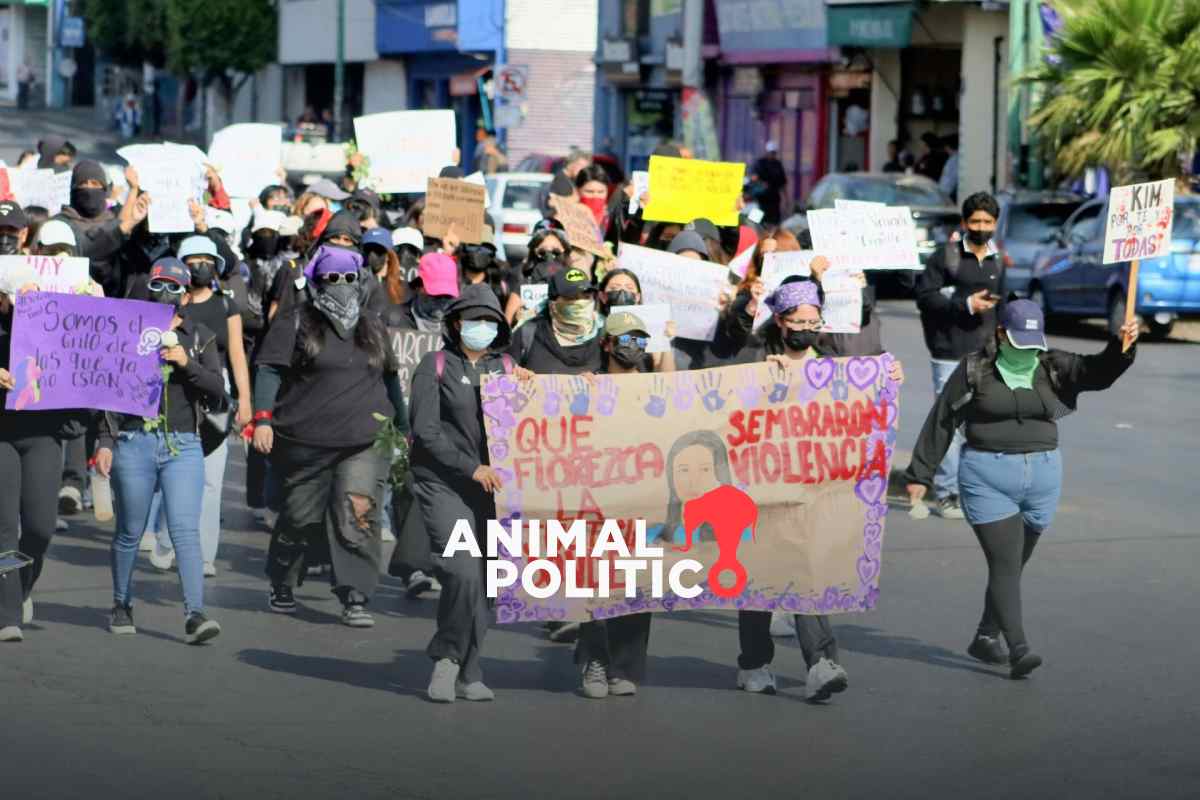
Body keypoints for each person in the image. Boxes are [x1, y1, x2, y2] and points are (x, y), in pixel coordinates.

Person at [904, 301, 1138, 679]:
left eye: (1032, 341)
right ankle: (1019, 648)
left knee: (1012, 566)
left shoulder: (1051, 364)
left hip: (1043, 479)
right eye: (1019, 340)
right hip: (987, 477)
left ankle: (985, 636)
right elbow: (942, 419)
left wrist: (1121, 347)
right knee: (1005, 564)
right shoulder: (974, 368)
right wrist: (920, 473)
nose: (1027, 348)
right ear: (1000, 334)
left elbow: (1097, 373)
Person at [729, 278, 903, 699]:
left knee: (805, 569)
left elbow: (865, 404)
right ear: (781, 321)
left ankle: (822, 662)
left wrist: (888, 377)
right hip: (761, 489)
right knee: (760, 578)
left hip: (814, 489)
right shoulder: (754, 360)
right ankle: (754, 662)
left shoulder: (833, 364)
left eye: (814, 320)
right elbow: (722, 404)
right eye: (798, 320)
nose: (807, 327)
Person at [253, 244, 406, 627]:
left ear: (361, 282)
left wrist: (404, 429)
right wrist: (262, 419)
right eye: (331, 278)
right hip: (305, 440)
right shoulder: (295, 319)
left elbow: (390, 378)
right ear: (317, 281)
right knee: (298, 518)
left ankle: (355, 596)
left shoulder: (373, 324)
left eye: (349, 278)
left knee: (358, 516)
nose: (340, 284)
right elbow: (270, 369)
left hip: (365, 440)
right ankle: (283, 579)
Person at [95, 258, 226, 644]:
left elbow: (218, 391)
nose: (165, 293)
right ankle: (121, 603)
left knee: (185, 530)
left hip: (183, 445)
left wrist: (187, 364)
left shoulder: (199, 335)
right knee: (129, 532)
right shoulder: (126, 333)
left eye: (174, 287)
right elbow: (106, 392)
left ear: (186, 295)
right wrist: (105, 441)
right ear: (148, 287)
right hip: (134, 441)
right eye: (159, 285)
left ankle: (195, 614)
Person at [409, 283, 514, 702]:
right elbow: (425, 430)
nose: (482, 327)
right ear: (455, 323)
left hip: (493, 494)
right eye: (475, 320)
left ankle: (471, 671)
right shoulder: (433, 365)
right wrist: (471, 468)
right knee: (462, 570)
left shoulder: (506, 367)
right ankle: (446, 658)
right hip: (444, 486)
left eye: (490, 321)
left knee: (487, 584)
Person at [141, 235, 253, 576]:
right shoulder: (168, 302)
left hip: (212, 390)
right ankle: (164, 538)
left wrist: (245, 400)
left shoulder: (226, 306)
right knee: (168, 473)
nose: (200, 265)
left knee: (211, 478)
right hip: (168, 388)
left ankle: (204, 554)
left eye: (207, 259)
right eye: (193, 260)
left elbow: (235, 353)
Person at [576, 311, 672, 697]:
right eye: (626, 340)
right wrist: (576, 394)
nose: (634, 348)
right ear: (607, 344)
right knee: (598, 583)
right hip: (599, 498)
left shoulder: (657, 388)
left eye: (641, 341)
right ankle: (595, 662)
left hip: (644, 498)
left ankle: (624, 663)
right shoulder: (590, 384)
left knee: (636, 582)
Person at [0, 255, 82, 641]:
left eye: (32, 292)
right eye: (17, 294)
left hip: (42, 433)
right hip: (1, 436)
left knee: (39, 528)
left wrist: (91, 303)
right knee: (3, 528)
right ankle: (7, 613)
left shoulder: (56, 325)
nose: (24, 300)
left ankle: (22, 583)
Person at [915, 192, 1006, 520]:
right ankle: (947, 493)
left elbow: (1004, 304)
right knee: (950, 424)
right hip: (949, 352)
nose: (982, 227)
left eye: (987, 221)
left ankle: (975, 491)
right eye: (975, 221)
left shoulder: (997, 259)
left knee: (982, 424)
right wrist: (966, 305)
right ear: (965, 223)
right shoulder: (947, 257)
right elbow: (924, 297)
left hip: (988, 354)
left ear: (995, 223)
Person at [53, 160, 150, 298]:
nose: (89, 188)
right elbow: (91, 249)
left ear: (104, 189)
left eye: (95, 184)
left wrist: (135, 190)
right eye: (83, 184)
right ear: (73, 189)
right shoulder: (60, 224)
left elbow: (123, 226)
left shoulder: (114, 216)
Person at [511, 267, 603, 375]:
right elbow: (504, 375)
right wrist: (517, 373)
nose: (580, 302)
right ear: (553, 303)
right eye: (571, 297)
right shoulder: (527, 333)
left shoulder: (603, 332)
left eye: (586, 296)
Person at [750, 142, 788, 226]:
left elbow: (783, 183)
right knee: (756, 221)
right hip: (761, 199)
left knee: (774, 222)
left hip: (774, 199)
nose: (772, 155)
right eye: (771, 153)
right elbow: (753, 178)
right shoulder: (760, 163)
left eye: (774, 153)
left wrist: (786, 199)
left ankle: (771, 236)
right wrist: (760, 184)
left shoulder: (778, 165)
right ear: (767, 152)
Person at [574, 164, 611, 229]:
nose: (595, 196)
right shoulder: (568, 218)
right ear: (577, 191)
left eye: (601, 192)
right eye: (589, 191)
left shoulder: (612, 219)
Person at [939, 135, 960, 201]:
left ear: (948, 147)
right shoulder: (952, 159)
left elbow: (951, 179)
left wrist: (942, 195)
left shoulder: (954, 160)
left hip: (947, 194)